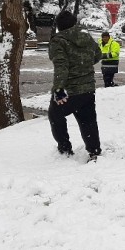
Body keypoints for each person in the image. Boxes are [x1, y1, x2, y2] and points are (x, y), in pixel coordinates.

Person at [48, 10, 103, 161]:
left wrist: (58, 89)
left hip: (70, 90)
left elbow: (61, 66)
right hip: (88, 88)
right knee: (88, 120)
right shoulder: (86, 36)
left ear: (59, 26)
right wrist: (83, 65)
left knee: (55, 114)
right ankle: (94, 150)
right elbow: (98, 55)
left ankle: (65, 149)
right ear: (74, 23)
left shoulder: (58, 41)